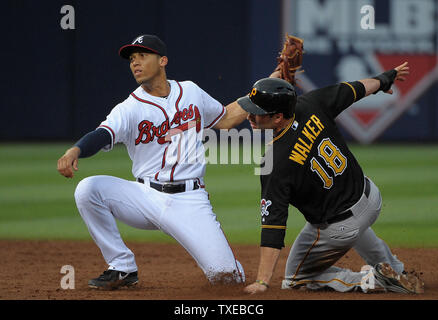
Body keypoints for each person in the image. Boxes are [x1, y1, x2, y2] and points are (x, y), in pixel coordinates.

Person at [57, 34, 249, 289]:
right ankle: (122, 267)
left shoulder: (190, 91)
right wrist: (76, 149)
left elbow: (226, 119)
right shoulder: (130, 107)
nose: (135, 63)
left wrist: (260, 94)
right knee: (88, 189)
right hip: (145, 197)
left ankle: (227, 266)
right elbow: (103, 134)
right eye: (132, 59)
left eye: (142, 56)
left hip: (189, 200)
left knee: (227, 279)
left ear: (163, 61)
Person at [238, 62, 424, 294]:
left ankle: (370, 280)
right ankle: (395, 270)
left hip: (341, 227)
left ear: (277, 118)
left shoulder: (274, 162)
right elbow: (355, 89)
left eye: (256, 113)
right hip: (370, 197)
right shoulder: (311, 102)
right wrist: (385, 79)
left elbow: (273, 226)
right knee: (354, 223)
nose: (248, 116)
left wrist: (263, 282)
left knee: (295, 280)